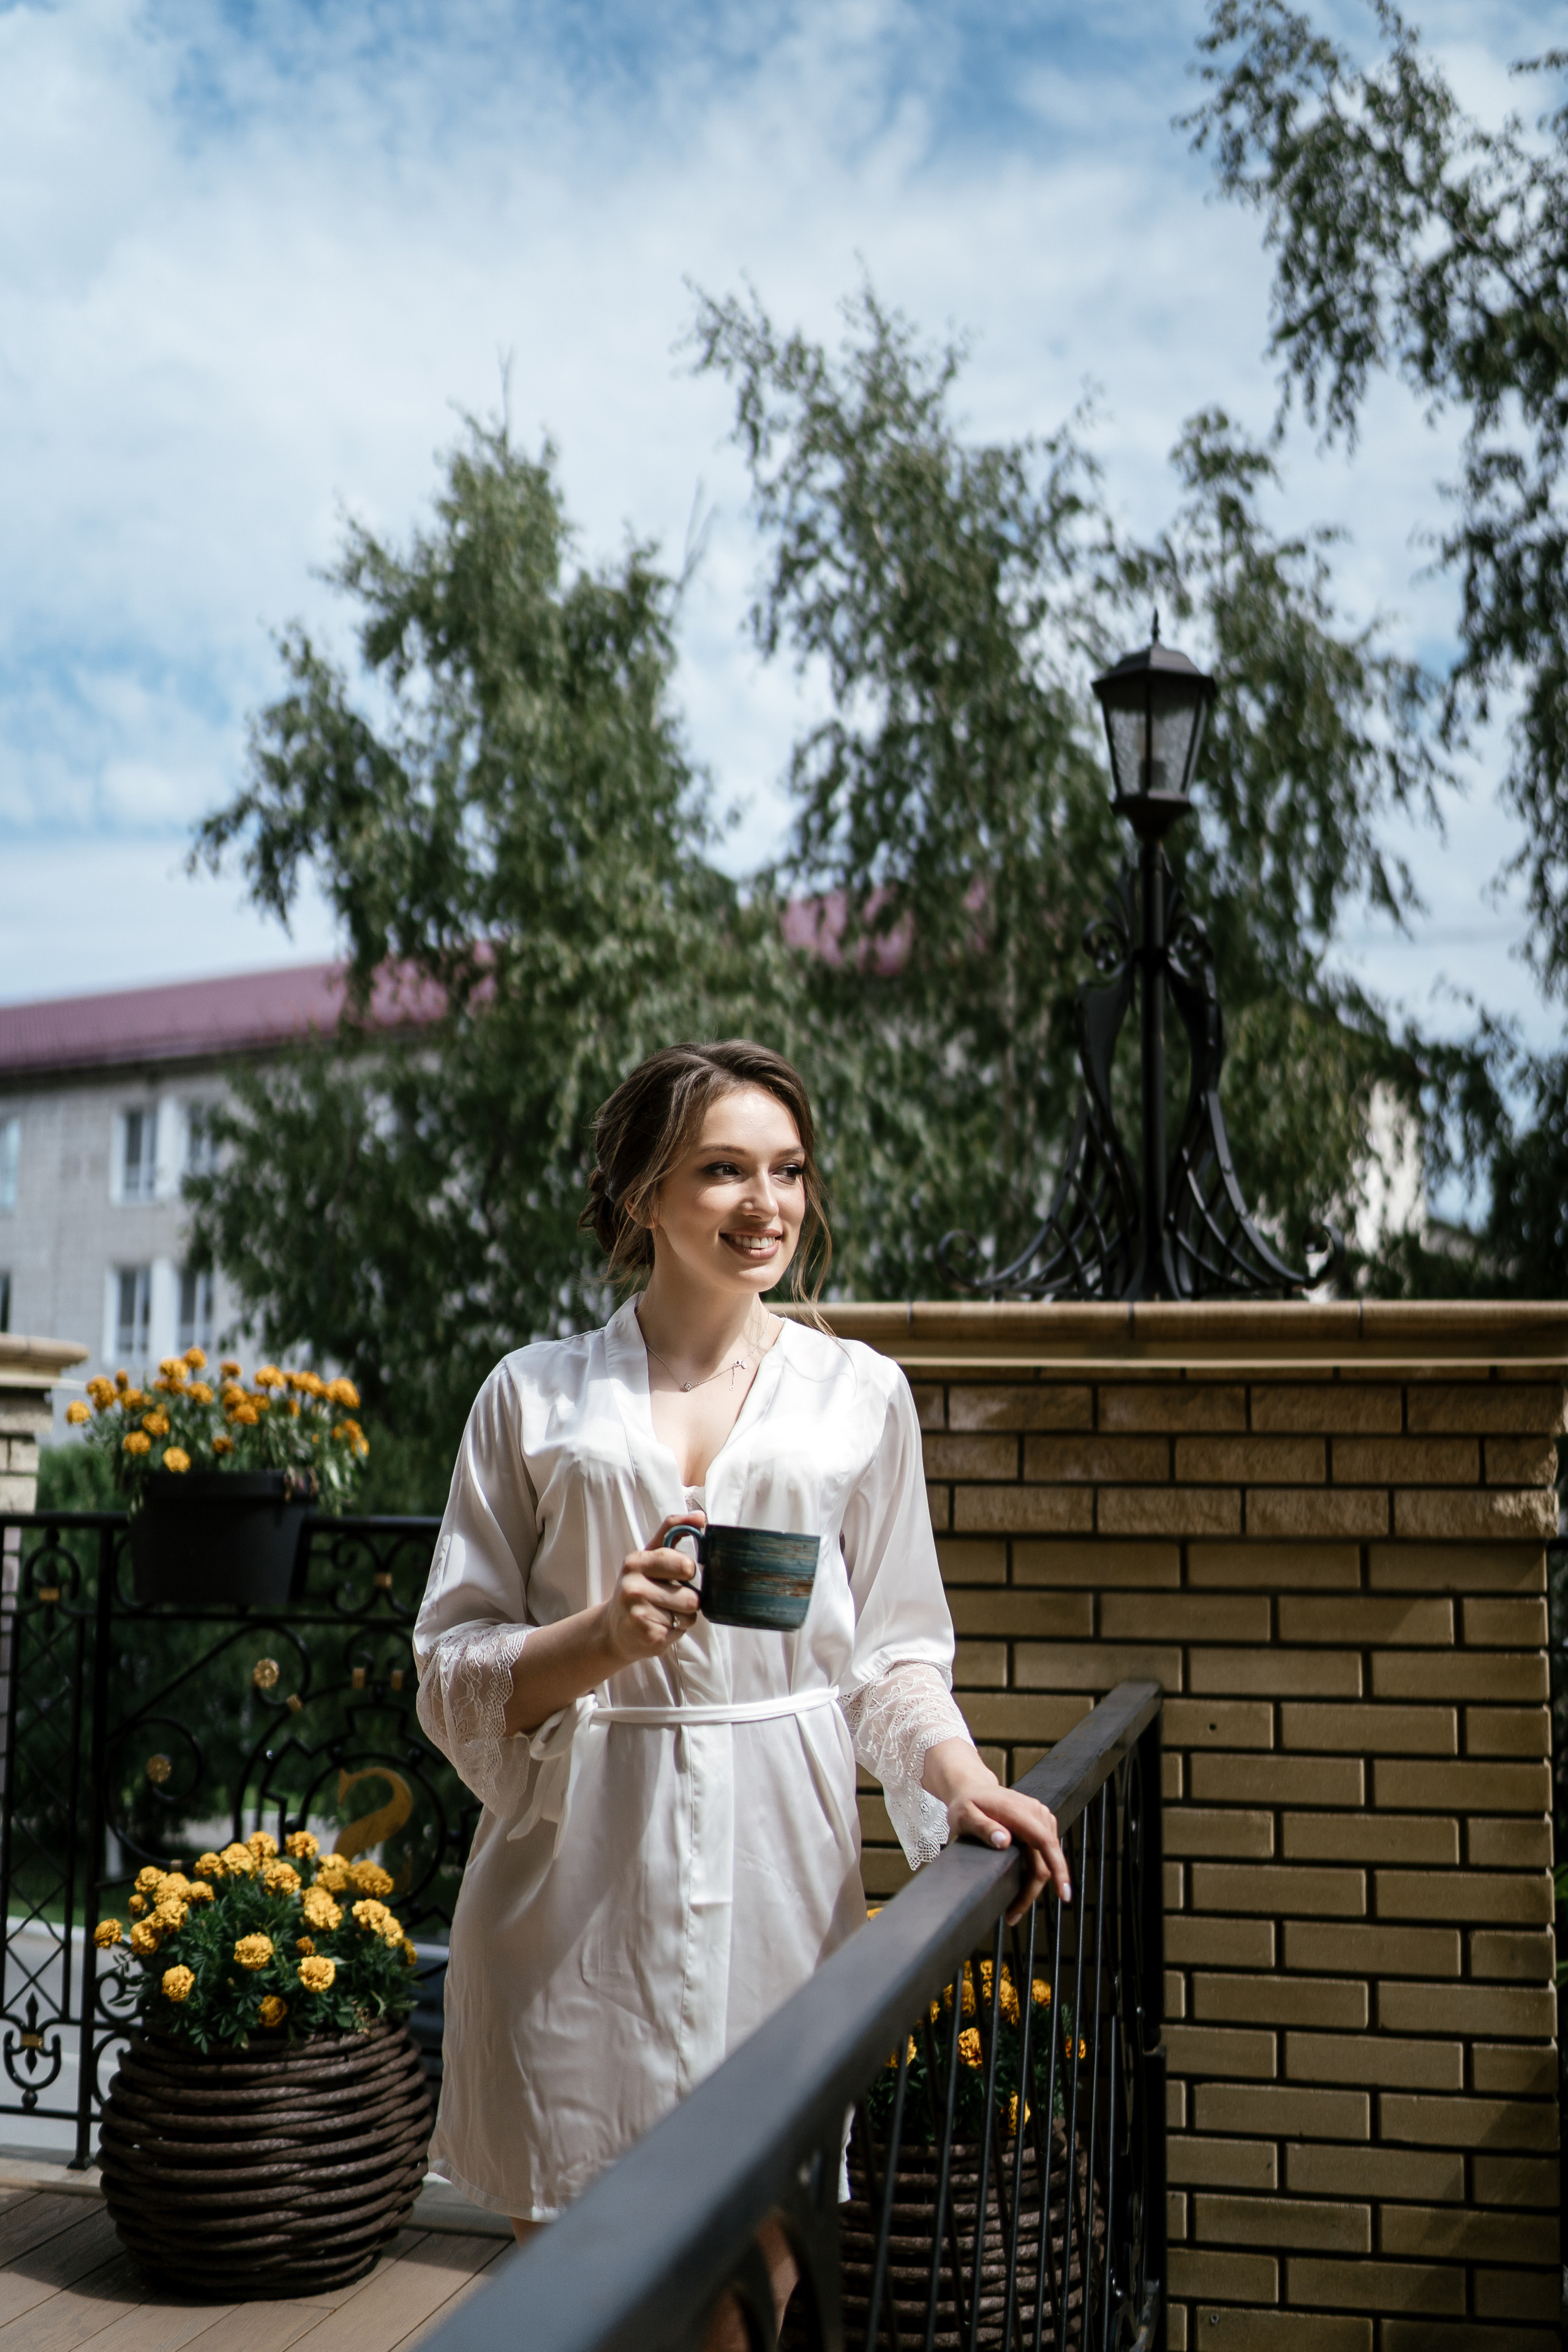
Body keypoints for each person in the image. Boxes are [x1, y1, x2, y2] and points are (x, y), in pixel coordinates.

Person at [412, 1041, 1071, 2272]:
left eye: (788, 1171)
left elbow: (888, 1659)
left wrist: (962, 1778)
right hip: (570, 1899)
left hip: (781, 1877)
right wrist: (601, 1638)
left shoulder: (857, 1397)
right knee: (577, 2285)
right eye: (722, 1170)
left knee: (760, 2280)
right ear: (641, 1195)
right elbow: (451, 1668)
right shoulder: (531, 1398)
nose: (765, 1205)